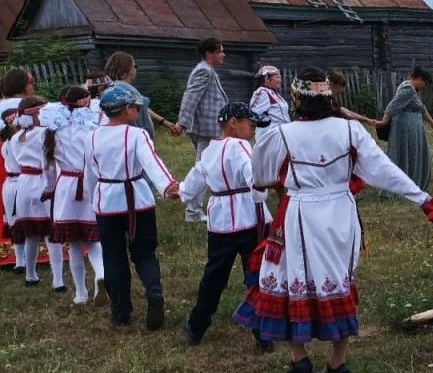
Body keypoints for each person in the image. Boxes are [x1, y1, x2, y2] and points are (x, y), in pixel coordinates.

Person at [233, 67, 433, 373]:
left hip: (300, 215)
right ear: (328, 97)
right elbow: (383, 170)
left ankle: (300, 359)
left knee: (290, 278)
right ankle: (338, 363)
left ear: (296, 99)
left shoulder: (281, 135)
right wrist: (423, 200)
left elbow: (261, 177)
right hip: (340, 215)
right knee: (338, 281)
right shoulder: (351, 131)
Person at [179, 102, 274, 351]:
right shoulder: (241, 146)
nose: (253, 130)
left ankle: (197, 324)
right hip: (250, 219)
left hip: (220, 222)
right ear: (233, 123)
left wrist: (180, 192)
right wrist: (260, 190)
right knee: (256, 275)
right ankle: (262, 331)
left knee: (214, 276)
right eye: (250, 124)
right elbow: (252, 175)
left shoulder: (210, 150)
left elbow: (194, 182)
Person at [88, 84, 181, 329]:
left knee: (113, 256)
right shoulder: (137, 135)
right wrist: (168, 186)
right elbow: (152, 162)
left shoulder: (93, 136)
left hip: (106, 203)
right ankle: (154, 291)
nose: (140, 110)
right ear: (126, 110)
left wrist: (91, 199)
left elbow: (89, 172)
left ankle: (121, 312)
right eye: (137, 107)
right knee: (144, 253)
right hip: (137, 201)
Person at [42, 87, 105, 304]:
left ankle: (80, 293)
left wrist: (49, 189)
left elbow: (49, 166)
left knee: (74, 244)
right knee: (94, 239)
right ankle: (101, 274)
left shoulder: (54, 130)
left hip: (66, 187)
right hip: (90, 183)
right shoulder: (91, 128)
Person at [5, 95, 56, 288]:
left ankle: (30, 273)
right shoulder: (44, 134)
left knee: (30, 233)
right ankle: (58, 279)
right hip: (39, 182)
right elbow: (49, 164)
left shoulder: (15, 138)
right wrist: (51, 188)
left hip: (22, 184)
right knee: (50, 232)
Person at [177, 38, 230, 223]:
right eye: (220, 51)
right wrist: (182, 123)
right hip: (207, 128)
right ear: (209, 54)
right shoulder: (203, 71)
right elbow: (191, 97)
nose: (223, 55)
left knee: (205, 167)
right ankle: (192, 211)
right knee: (203, 169)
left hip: (210, 128)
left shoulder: (208, 71)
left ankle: (194, 209)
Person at [1, 68, 40, 275]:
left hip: (10, 174)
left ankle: (20, 260)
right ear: (26, 85)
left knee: (15, 218)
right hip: (31, 171)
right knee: (37, 217)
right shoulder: (35, 106)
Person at [374, 67, 433, 193]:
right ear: (419, 79)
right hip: (405, 129)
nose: (425, 86)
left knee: (412, 154)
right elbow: (392, 106)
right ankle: (400, 184)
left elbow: (421, 108)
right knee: (405, 154)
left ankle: (411, 181)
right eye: (425, 83)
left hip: (412, 128)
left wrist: (432, 123)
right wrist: (384, 121)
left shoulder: (413, 90)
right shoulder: (407, 89)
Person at [105, 51, 182, 140]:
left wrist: (163, 121)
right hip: (136, 138)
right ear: (126, 69)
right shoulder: (124, 89)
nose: (136, 69)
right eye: (135, 66)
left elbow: (142, 107)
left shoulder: (116, 87)